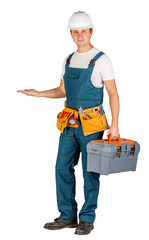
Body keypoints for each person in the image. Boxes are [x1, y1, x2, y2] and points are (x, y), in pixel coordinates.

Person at [17, 11, 120, 235]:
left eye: (84, 31)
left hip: (92, 125)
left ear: (91, 32)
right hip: (69, 123)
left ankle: (87, 219)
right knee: (61, 167)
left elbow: (113, 94)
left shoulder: (102, 59)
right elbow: (62, 91)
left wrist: (115, 125)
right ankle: (67, 216)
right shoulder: (68, 59)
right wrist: (39, 94)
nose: (80, 35)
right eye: (75, 32)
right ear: (71, 34)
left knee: (90, 171)